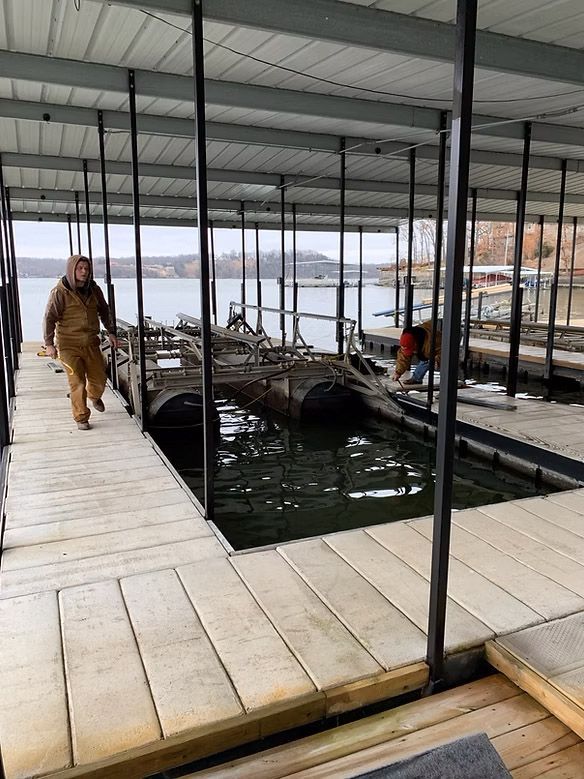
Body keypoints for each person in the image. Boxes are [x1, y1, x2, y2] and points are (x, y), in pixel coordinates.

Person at [43, 254, 120, 430]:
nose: (84, 271)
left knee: (99, 378)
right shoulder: (60, 292)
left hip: (92, 343)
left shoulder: (94, 289)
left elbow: (104, 311)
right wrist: (49, 344)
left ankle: (94, 396)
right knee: (77, 381)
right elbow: (49, 318)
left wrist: (112, 332)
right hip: (68, 344)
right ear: (72, 270)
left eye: (86, 268)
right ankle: (81, 417)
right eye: (80, 268)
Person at [391, 320, 441, 385]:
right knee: (426, 358)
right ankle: (416, 379)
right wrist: (398, 372)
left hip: (447, 330)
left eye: (413, 349)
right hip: (430, 337)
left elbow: (444, 351)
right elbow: (403, 357)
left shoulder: (432, 342)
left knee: (435, 360)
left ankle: (445, 385)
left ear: (416, 343)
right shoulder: (408, 340)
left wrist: (437, 359)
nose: (413, 352)